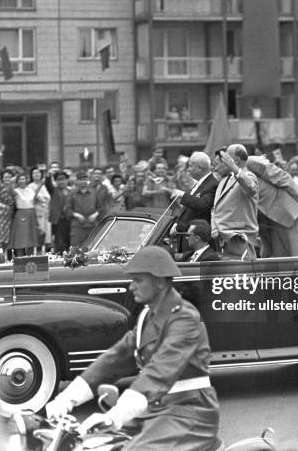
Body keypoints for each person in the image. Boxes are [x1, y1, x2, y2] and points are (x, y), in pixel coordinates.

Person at [45, 246, 221, 451]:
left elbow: (160, 372)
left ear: (159, 282)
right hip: (155, 410)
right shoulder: (148, 316)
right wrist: (66, 400)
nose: (131, 287)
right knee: (95, 446)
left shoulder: (185, 319)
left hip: (189, 413)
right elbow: (114, 359)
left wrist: (115, 416)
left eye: (138, 280)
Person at [244, 146, 298, 258]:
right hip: (269, 224)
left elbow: (283, 178)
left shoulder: (250, 162)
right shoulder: (227, 178)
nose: (216, 167)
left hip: (288, 215)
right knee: (282, 264)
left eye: (219, 162)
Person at [211, 146, 259, 259]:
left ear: (236, 160)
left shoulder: (248, 176)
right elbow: (215, 209)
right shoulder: (224, 180)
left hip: (239, 238)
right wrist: (214, 228)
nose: (223, 161)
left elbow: (251, 188)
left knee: (244, 273)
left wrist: (235, 169)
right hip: (223, 238)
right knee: (229, 274)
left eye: (227, 158)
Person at [171, 151, 219, 253]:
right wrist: (177, 224)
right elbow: (189, 209)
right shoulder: (199, 184)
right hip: (187, 238)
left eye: (190, 166)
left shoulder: (212, 184)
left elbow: (203, 205)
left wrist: (182, 195)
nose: (188, 169)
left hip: (198, 241)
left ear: (199, 168)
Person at [66, 171, 104, 247]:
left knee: (93, 248)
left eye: (85, 179)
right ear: (77, 181)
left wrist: (95, 215)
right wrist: (77, 215)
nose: (83, 181)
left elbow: (100, 207)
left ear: (88, 180)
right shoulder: (72, 193)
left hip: (92, 225)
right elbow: (67, 209)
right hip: (77, 226)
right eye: (80, 180)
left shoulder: (94, 192)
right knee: (75, 249)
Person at [49, 170, 71, 253]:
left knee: (68, 240)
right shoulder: (53, 190)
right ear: (56, 181)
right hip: (58, 220)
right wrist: (49, 175)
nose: (62, 181)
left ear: (67, 180)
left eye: (63, 179)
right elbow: (48, 184)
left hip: (69, 219)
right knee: (59, 241)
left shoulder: (70, 191)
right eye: (59, 179)